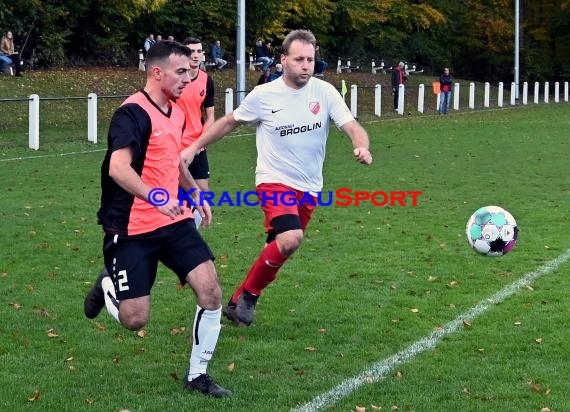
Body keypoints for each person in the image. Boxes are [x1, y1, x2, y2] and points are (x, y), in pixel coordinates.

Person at [181, 29, 373, 327]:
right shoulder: (265, 95)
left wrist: (361, 145)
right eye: (299, 59)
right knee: (291, 238)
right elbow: (229, 122)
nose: (306, 65)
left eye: (310, 59)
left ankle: (239, 299)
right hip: (273, 180)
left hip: (310, 186)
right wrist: (194, 147)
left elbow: (352, 126)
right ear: (283, 60)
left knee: (285, 246)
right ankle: (250, 297)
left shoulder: (324, 92)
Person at [83, 40, 231, 398]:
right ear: (156, 72)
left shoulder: (177, 111)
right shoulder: (131, 113)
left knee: (210, 291)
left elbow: (173, 160)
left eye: (191, 71)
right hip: (131, 229)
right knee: (136, 320)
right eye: (181, 72)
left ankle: (197, 376)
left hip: (173, 221)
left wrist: (194, 192)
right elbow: (118, 168)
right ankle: (108, 286)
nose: (188, 78)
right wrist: (155, 196)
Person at [177, 37, 216, 192]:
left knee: (203, 196)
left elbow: (211, 117)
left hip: (198, 146)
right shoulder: (174, 80)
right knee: (175, 194)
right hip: (175, 147)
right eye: (191, 51)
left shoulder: (207, 80)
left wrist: (198, 145)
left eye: (199, 51)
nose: (195, 55)